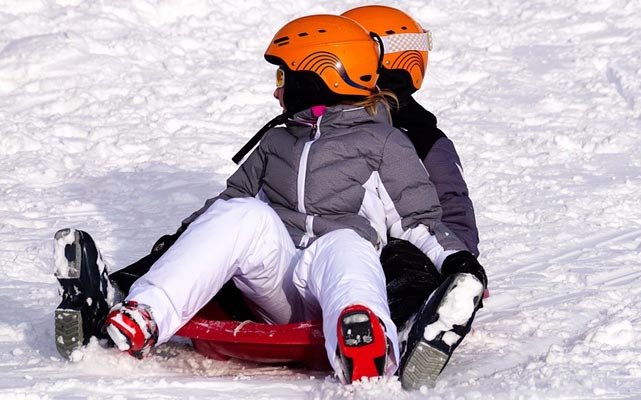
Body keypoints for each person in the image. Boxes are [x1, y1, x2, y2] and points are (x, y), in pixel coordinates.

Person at [53, 14, 483, 385]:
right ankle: (144, 314)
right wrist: (176, 245)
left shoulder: (386, 144)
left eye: (284, 78)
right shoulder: (275, 142)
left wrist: (458, 262)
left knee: (347, 242)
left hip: (337, 279)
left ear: (320, 74)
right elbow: (226, 211)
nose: (277, 92)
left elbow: (420, 221)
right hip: (274, 284)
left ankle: (364, 339)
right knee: (242, 213)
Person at [341, 5, 488, 390]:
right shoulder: (324, 123)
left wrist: (457, 262)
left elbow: (452, 214)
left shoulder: (422, 137)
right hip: (332, 244)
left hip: (402, 249)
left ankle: (419, 324)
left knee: (399, 263)